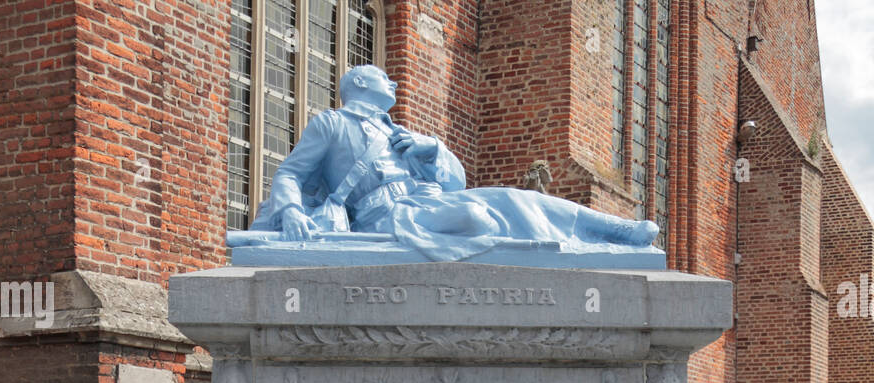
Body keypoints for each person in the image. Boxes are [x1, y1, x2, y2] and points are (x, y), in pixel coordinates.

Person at [249, 65, 660, 261]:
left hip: (426, 202)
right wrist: (289, 212)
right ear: (359, 85)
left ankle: (613, 232)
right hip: (386, 216)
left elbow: (455, 181)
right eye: (382, 78)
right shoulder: (332, 124)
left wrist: (432, 151)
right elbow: (290, 172)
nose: (392, 83)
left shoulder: (400, 131)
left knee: (515, 199)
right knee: (481, 218)